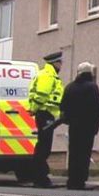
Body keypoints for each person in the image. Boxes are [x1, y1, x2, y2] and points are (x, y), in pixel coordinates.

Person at [60, 61, 99, 190]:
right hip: (87, 126)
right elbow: (97, 108)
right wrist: (96, 126)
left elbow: (63, 107)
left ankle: (72, 180)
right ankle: (80, 180)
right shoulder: (92, 87)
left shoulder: (69, 87)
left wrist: (69, 120)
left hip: (73, 126)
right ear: (89, 73)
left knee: (74, 153)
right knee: (84, 153)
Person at [28, 51, 64, 188]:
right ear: (55, 63)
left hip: (46, 113)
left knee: (43, 145)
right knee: (44, 147)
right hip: (44, 114)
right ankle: (40, 177)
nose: (61, 65)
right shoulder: (48, 76)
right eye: (60, 63)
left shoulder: (49, 75)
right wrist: (35, 109)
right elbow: (41, 95)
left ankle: (40, 175)